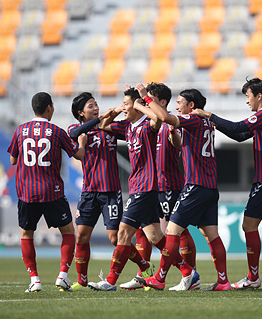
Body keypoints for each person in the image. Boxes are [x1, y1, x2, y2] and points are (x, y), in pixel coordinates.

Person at [191, 78, 262, 291]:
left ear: (259, 96)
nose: (246, 101)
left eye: (248, 96)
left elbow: (238, 126)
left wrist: (208, 115)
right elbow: (239, 135)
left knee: (248, 225)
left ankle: (253, 277)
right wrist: (215, 123)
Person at [137, 86, 228, 291]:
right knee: (212, 235)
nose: (176, 106)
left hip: (195, 185)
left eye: (180, 102)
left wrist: (145, 98)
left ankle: (160, 278)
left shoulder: (193, 119)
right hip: (210, 186)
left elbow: (163, 116)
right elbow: (178, 140)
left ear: (191, 105)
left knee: (171, 231)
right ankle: (223, 281)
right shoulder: (207, 123)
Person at [86, 87, 171, 291]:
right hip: (138, 186)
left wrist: (142, 101)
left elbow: (159, 119)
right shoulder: (128, 127)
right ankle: (188, 272)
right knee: (155, 237)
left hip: (146, 186)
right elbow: (104, 125)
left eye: (126, 104)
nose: (124, 108)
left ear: (138, 106)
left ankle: (110, 281)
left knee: (123, 233)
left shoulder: (147, 126)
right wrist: (117, 110)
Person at [67, 92, 153, 291]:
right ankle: (82, 280)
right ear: (81, 113)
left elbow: (134, 129)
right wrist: (101, 117)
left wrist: (115, 114)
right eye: (90, 106)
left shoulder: (109, 129)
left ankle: (145, 268)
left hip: (111, 192)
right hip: (89, 192)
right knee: (81, 237)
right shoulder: (77, 130)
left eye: (96, 104)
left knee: (116, 238)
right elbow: (72, 135)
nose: (95, 108)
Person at [120, 82, 198, 291]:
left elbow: (178, 143)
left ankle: (190, 273)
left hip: (169, 186)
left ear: (161, 102)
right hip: (152, 185)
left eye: (150, 98)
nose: (146, 102)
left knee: (178, 232)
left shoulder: (168, 121)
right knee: (145, 231)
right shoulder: (146, 123)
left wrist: (143, 103)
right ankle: (144, 274)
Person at [7, 91, 86, 292]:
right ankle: (62, 276)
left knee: (26, 234)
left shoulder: (20, 130)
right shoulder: (57, 131)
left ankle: (35, 279)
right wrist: (83, 143)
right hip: (52, 191)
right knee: (68, 232)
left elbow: (13, 160)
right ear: (49, 107)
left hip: (27, 192)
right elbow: (78, 155)